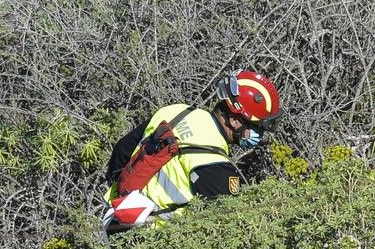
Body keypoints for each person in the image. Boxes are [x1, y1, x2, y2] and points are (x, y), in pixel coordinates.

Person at [102, 70, 281, 231]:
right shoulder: (217, 165)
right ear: (235, 120)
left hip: (114, 219)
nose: (260, 135)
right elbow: (223, 230)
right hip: (149, 247)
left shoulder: (175, 111)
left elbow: (121, 150)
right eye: (257, 127)